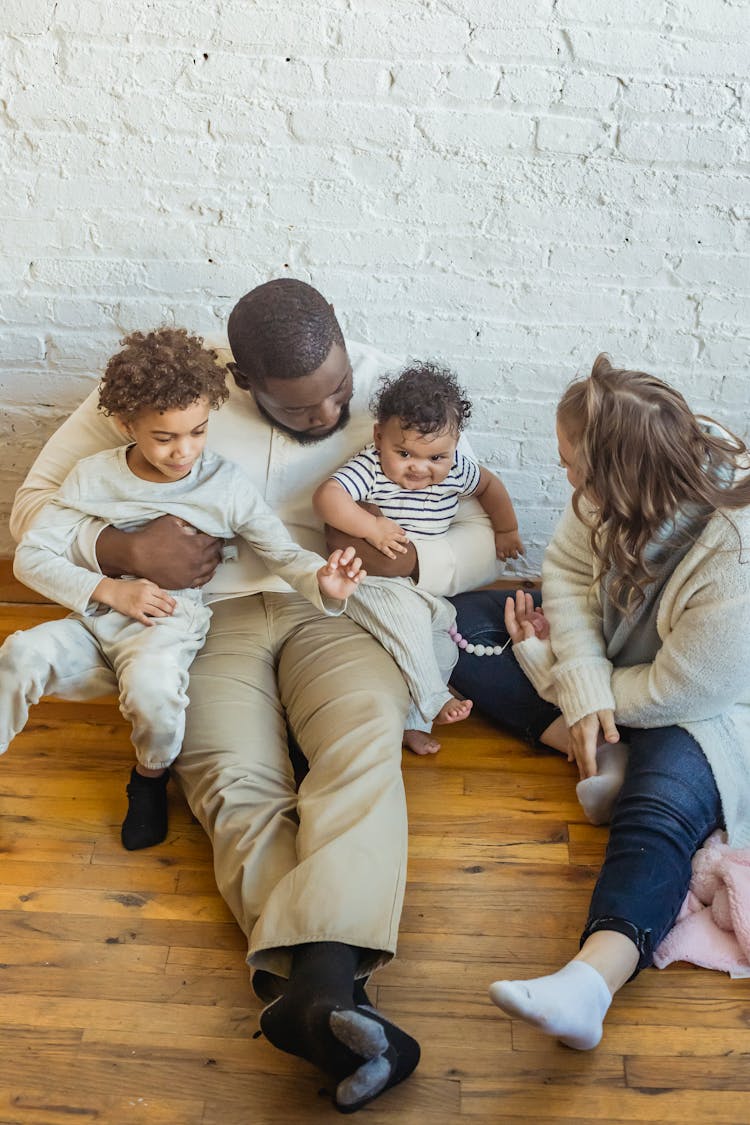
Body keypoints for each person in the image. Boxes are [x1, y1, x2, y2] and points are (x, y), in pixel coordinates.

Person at [10, 279, 502, 1112]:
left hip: (338, 606)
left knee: (361, 749)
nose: (332, 411)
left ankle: (313, 991)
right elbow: (32, 512)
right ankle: (333, 998)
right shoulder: (175, 391)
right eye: (307, 407)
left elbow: (484, 528)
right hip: (205, 618)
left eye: (339, 392)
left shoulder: (387, 394)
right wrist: (123, 546)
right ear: (241, 380)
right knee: (232, 783)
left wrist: (414, 563)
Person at [449, 354, 750, 1051]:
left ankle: (590, 980)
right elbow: (568, 572)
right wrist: (579, 678)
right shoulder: (616, 487)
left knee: (661, 807)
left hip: (710, 706)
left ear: (618, 476)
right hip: (621, 673)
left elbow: (685, 690)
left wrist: (549, 671)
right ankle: (599, 745)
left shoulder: (734, 558)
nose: (565, 478)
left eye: (572, 467)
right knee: (461, 623)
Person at [5, 327, 364, 852]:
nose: (184, 452)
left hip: (166, 623)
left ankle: (149, 778)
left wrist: (321, 580)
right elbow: (32, 556)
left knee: (153, 691)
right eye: (165, 438)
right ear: (128, 425)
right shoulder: (92, 477)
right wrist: (109, 589)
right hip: (96, 618)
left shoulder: (224, 485)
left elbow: (282, 553)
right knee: (19, 652)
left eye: (197, 432)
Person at [313, 360, 523, 755]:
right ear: (379, 437)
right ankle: (433, 698)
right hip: (371, 583)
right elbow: (327, 497)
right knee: (408, 621)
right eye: (405, 452)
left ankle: (413, 723)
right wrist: (370, 527)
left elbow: (491, 486)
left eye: (436, 458)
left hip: (422, 588)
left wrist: (507, 530)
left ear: (454, 448)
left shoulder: (457, 469)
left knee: (442, 644)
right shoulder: (372, 468)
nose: (420, 468)